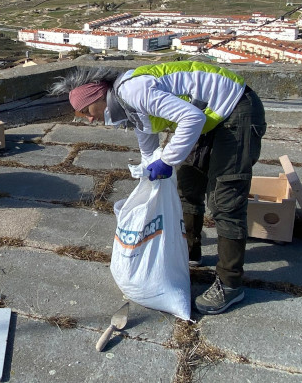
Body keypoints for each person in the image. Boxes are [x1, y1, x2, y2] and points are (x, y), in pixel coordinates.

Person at [50, 61, 266, 315]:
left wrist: (168, 161)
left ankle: (230, 284)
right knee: (187, 186)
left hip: (235, 108)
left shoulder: (132, 91)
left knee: (224, 199)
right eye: (80, 115)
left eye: (86, 110)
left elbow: (191, 118)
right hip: (208, 117)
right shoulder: (128, 105)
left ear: (98, 95)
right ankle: (187, 252)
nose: (88, 118)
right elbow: (147, 141)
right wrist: (148, 172)